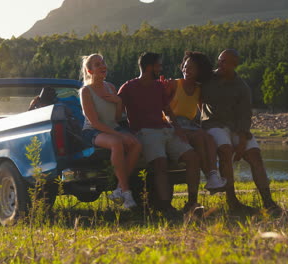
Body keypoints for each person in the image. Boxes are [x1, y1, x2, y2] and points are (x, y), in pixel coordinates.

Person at [118, 52, 202, 214]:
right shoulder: (128, 87)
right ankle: (165, 206)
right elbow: (118, 112)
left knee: (192, 158)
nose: (161, 68)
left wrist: (178, 131)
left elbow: (168, 111)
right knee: (160, 164)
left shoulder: (158, 87)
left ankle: (192, 203)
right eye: (159, 65)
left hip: (166, 130)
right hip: (145, 132)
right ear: (149, 67)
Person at [201, 49, 281, 214]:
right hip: (213, 124)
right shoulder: (208, 79)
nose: (220, 64)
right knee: (225, 150)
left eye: (225, 62)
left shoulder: (242, 87)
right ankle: (232, 201)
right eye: (220, 60)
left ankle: (268, 201)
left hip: (236, 127)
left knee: (254, 155)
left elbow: (245, 114)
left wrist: (243, 139)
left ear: (234, 65)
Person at [79, 54, 141, 209]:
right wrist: (119, 135)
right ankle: (126, 193)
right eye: (97, 64)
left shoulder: (111, 87)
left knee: (136, 144)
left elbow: (116, 117)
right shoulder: (85, 91)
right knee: (117, 143)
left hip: (112, 127)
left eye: (103, 63)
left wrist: (118, 101)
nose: (102, 66)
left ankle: (119, 188)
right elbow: (94, 122)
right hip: (93, 131)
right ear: (89, 70)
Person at [163, 51, 227, 194]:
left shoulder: (198, 89)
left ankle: (212, 175)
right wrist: (178, 128)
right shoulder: (174, 84)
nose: (186, 70)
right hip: (172, 123)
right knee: (199, 137)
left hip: (189, 124)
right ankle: (211, 178)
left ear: (199, 71)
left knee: (209, 138)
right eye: (185, 67)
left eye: (191, 67)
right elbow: (164, 110)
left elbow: (202, 110)